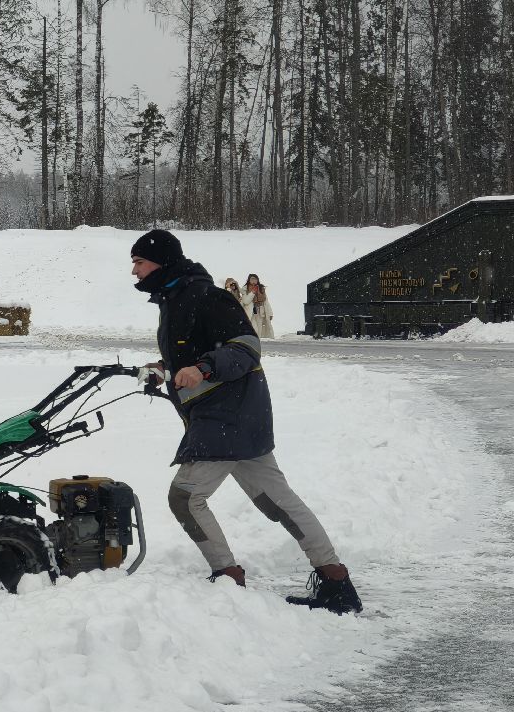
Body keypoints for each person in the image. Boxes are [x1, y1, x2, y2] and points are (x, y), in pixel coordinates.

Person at [130, 228, 361, 614]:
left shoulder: (207, 297)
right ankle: (336, 581)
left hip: (226, 416)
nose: (134, 271)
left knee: (185, 498)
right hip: (237, 417)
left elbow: (246, 348)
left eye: (139, 262)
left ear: (161, 262)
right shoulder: (175, 300)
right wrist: (164, 368)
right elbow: (192, 354)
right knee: (278, 501)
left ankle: (227, 576)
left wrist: (203, 368)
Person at [245, 273, 274, 339]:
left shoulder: (261, 288)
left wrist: (270, 313)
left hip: (260, 310)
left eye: (255, 279)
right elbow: (245, 301)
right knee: (253, 327)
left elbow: (266, 302)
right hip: (251, 311)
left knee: (259, 327)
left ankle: (258, 340)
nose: (254, 281)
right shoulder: (246, 289)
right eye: (252, 279)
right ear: (249, 280)